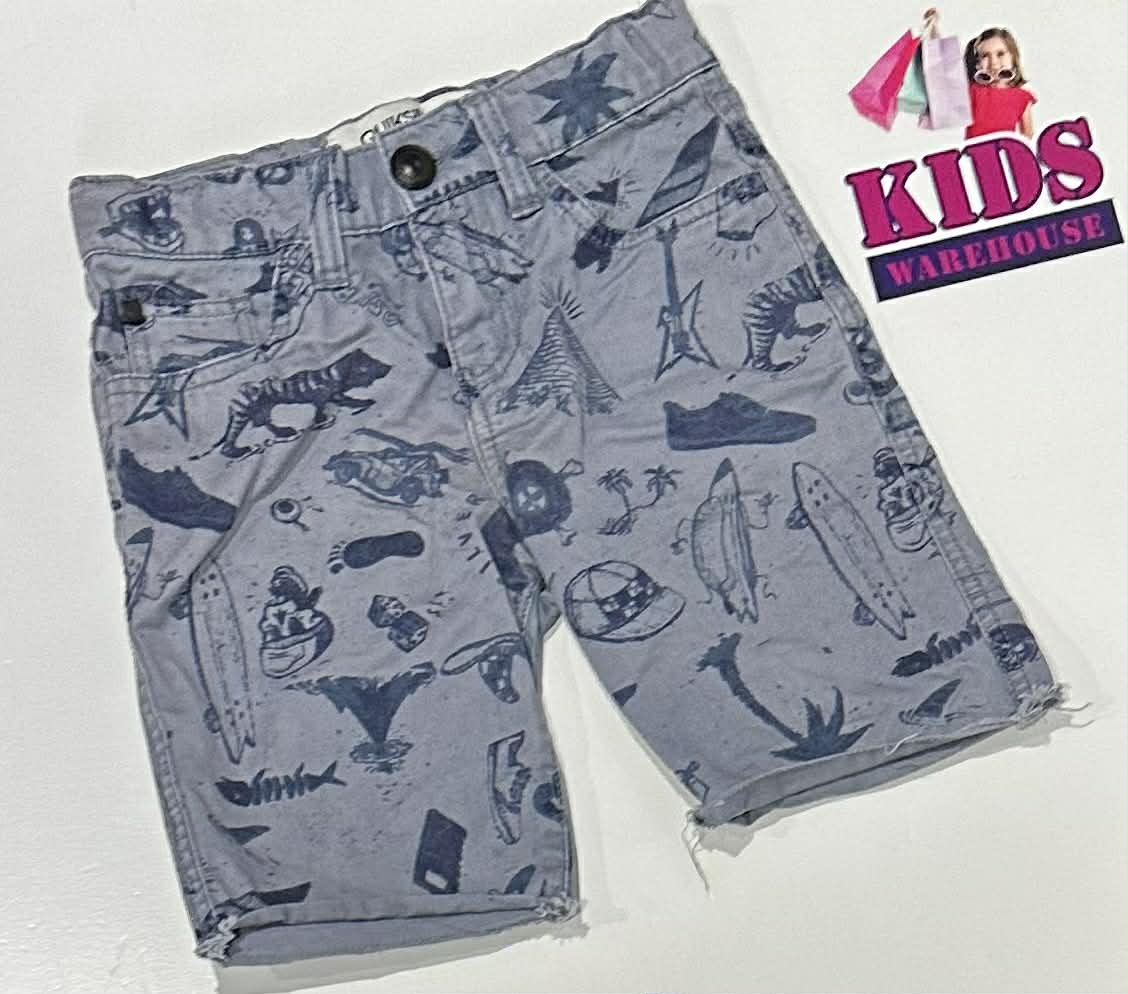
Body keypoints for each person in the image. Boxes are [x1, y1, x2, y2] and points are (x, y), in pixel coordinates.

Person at [962, 24, 1035, 139]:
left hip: (1004, 149)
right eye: (985, 55)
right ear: (978, 63)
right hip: (974, 149)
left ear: (1013, 57)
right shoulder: (973, 91)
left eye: (1000, 54)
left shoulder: (1023, 97)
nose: (993, 62)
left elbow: (1028, 136)